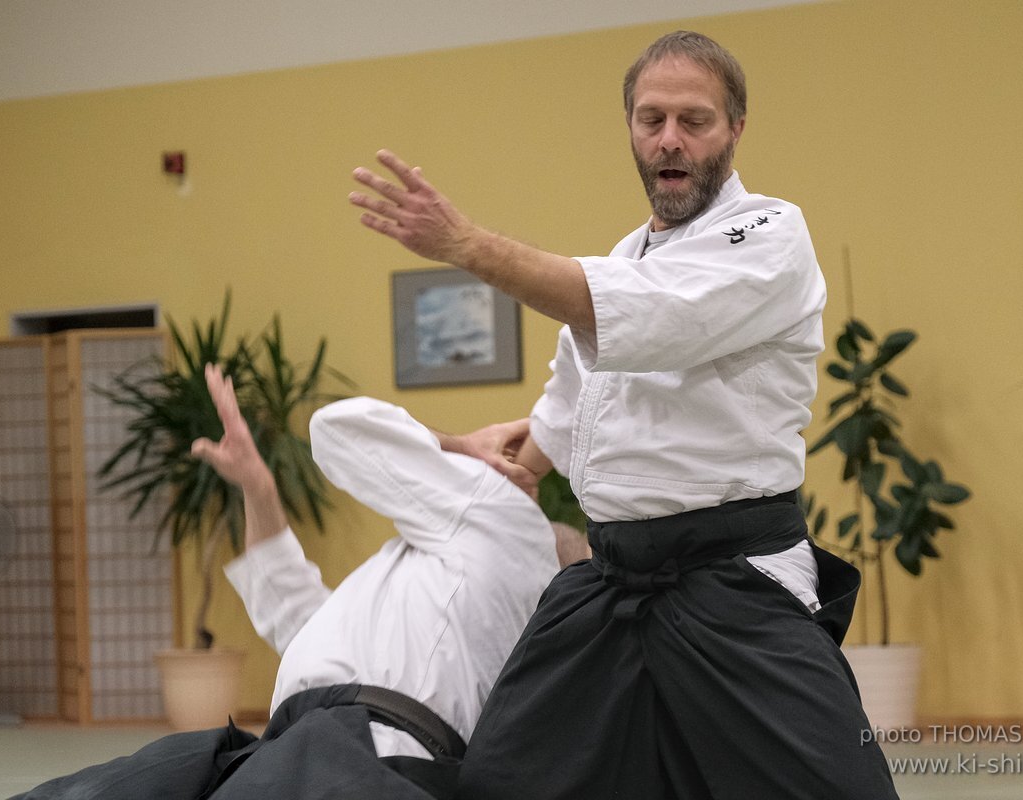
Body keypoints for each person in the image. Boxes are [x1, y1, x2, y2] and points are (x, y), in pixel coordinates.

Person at [349, 30, 899, 799]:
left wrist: (468, 246)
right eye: (651, 119)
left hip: (734, 583)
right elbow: (578, 399)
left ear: (736, 129)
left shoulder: (770, 234)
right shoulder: (627, 255)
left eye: (694, 119)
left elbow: (643, 318)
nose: (669, 139)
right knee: (506, 780)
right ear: (631, 130)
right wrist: (518, 453)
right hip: (609, 583)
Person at [14, 364, 578, 800]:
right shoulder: (430, 591)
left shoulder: (510, 525)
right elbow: (291, 610)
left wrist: (464, 445)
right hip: (291, 753)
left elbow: (340, 429)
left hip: (358, 762)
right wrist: (258, 488)